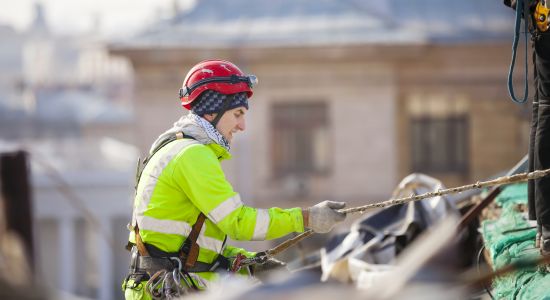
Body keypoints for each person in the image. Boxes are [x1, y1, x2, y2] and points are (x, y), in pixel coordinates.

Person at [122, 59, 347, 299]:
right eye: (237, 114)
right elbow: (238, 222)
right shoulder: (193, 155)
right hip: (166, 290)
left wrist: (245, 262)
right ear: (211, 111)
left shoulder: (177, 149)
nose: (242, 125)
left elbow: (193, 247)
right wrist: (306, 217)